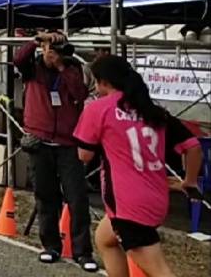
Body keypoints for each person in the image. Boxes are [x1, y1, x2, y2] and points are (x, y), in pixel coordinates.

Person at [74, 56, 203, 277]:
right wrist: (189, 181)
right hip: (155, 198)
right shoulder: (152, 110)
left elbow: (84, 155)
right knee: (105, 239)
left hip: (127, 204)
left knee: (159, 271)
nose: (95, 88)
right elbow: (194, 147)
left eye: (96, 82)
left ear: (104, 81)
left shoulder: (99, 109)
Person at [14, 31, 97, 272]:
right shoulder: (33, 69)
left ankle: (83, 251)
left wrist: (61, 66)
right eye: (49, 49)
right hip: (40, 141)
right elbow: (18, 59)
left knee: (77, 198)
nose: (52, 53)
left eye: (57, 49)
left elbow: (80, 93)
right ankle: (50, 246)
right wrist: (36, 41)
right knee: (45, 196)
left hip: (68, 143)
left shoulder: (73, 68)